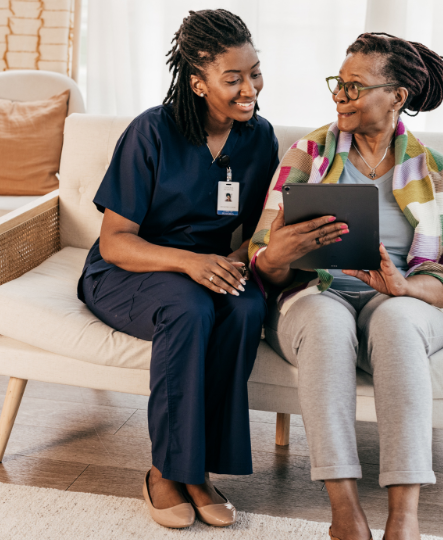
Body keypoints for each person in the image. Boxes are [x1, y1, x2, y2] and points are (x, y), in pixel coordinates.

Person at [248, 33, 443, 540]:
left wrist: (404, 287)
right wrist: (277, 253)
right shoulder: (308, 154)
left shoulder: (434, 170)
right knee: (323, 318)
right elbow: (263, 262)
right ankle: (345, 514)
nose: (340, 94)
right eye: (338, 84)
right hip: (313, 294)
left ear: (397, 96)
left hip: (403, 298)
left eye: (356, 86)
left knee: (396, 321)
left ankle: (404, 517)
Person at [77, 9, 278, 530]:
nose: (248, 87)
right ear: (197, 82)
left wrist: (232, 266)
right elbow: (116, 241)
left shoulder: (258, 138)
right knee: (186, 309)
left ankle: (200, 470)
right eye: (232, 78)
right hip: (130, 270)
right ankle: (165, 469)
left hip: (203, 268)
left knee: (246, 304)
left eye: (254, 72)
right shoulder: (151, 131)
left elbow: (254, 235)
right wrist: (191, 263)